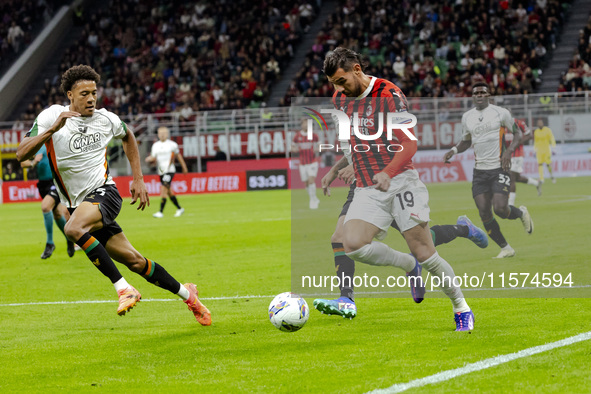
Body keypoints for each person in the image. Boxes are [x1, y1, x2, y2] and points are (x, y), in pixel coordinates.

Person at [16, 65, 210, 325]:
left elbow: (128, 136)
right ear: (70, 95)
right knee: (136, 261)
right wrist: (52, 130)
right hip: (80, 205)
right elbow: (21, 154)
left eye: (94, 92)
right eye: (84, 93)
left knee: (73, 229)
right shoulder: (52, 115)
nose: (91, 98)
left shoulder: (105, 118)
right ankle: (190, 296)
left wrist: (138, 178)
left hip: (105, 193)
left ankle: (123, 288)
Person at [317, 47, 474, 331]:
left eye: (341, 81)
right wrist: (339, 168)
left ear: (356, 70)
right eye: (333, 84)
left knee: (425, 252)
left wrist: (387, 172)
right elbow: (354, 142)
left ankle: (461, 307)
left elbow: (410, 143)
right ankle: (407, 265)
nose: (339, 88)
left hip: (401, 180)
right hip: (368, 185)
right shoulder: (340, 100)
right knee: (349, 243)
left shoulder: (389, 95)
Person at [314, 160, 488, 319]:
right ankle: (346, 298)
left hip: (391, 182)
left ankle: (464, 229)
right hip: (362, 187)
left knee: (420, 244)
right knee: (339, 238)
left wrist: (359, 165)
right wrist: (335, 170)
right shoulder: (345, 126)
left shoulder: (378, 126)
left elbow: (393, 146)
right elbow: (351, 149)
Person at [444, 82, 534, 259]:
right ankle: (506, 248)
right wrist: (453, 150)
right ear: (472, 97)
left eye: (482, 92)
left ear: (488, 95)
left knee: (500, 209)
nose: (479, 95)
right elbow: (466, 141)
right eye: (475, 92)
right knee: (484, 212)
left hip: (500, 168)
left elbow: (517, 134)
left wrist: (509, 151)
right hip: (480, 172)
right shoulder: (467, 117)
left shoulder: (501, 113)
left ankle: (521, 213)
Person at [21, 144, 75, 259]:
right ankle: (68, 239)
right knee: (57, 214)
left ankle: (50, 243)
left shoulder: (56, 140)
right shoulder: (36, 144)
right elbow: (22, 162)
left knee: (46, 207)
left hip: (56, 181)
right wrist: (33, 162)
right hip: (43, 185)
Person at [145, 126, 188, 218]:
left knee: (164, 189)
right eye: (160, 133)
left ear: (167, 134)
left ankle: (160, 212)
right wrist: (149, 159)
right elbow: (153, 157)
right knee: (169, 192)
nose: (162, 135)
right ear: (158, 134)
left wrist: (184, 167)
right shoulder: (155, 145)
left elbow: (178, 156)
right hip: (161, 171)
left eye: (164, 133)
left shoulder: (172, 144)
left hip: (169, 170)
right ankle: (179, 208)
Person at [506, 118, 543, 205]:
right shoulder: (500, 125)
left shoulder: (519, 123)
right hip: (507, 155)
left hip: (517, 155)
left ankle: (511, 204)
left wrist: (517, 143)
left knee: (511, 178)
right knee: (517, 178)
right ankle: (536, 183)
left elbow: (529, 135)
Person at [292, 118, 320, 209]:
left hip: (312, 162)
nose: (306, 125)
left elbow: (320, 145)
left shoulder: (313, 135)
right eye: (305, 124)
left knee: (311, 180)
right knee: (306, 183)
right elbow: (292, 146)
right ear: (302, 125)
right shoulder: (297, 136)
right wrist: (294, 149)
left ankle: (312, 200)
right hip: (302, 163)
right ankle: (314, 198)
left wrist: (318, 149)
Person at [533, 119, 556, 183]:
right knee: (540, 164)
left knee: (548, 164)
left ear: (543, 123)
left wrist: (553, 147)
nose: (540, 124)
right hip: (539, 151)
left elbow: (552, 138)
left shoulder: (547, 130)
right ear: (537, 124)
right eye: (538, 123)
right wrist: (534, 150)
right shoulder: (536, 132)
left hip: (546, 150)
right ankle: (541, 179)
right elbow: (536, 142)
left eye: (541, 123)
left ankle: (552, 176)